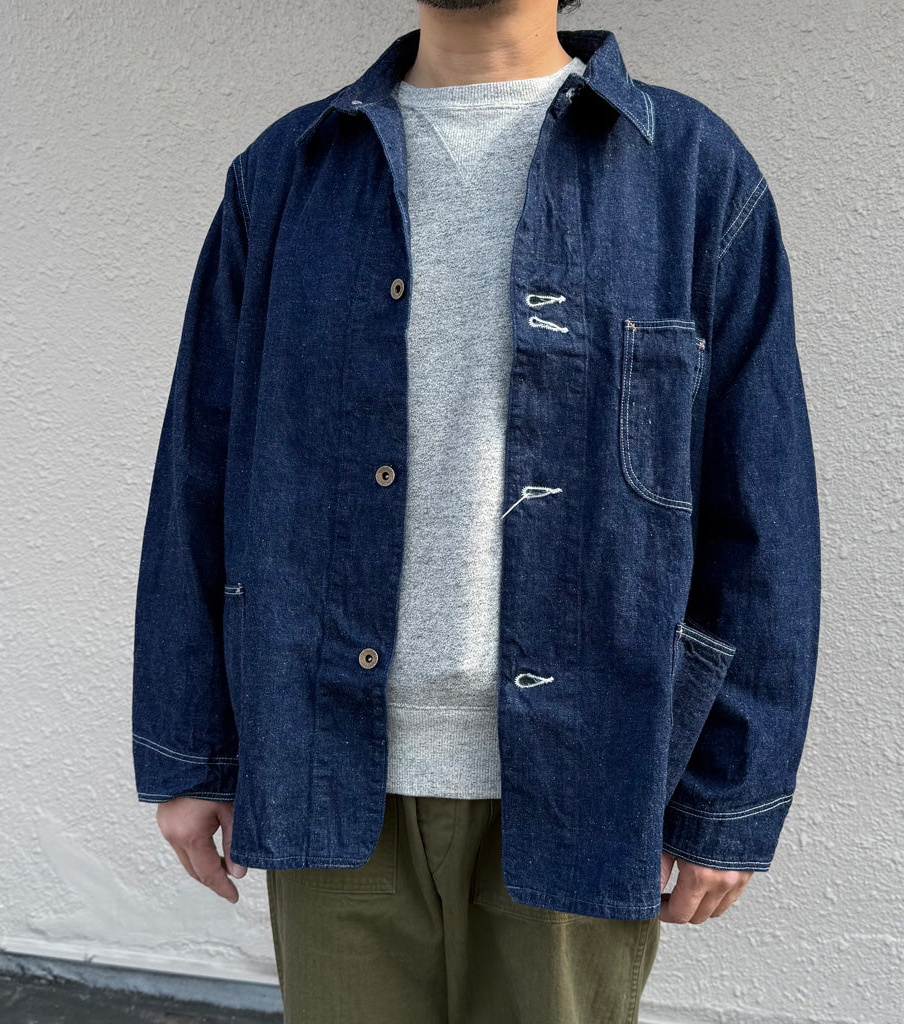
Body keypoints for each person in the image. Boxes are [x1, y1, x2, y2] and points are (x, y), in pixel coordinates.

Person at [132, 0, 821, 1020]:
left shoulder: (687, 170)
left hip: (594, 769)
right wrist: (191, 751)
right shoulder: (287, 173)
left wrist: (731, 795)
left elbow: (760, 503)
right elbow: (199, 469)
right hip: (326, 757)